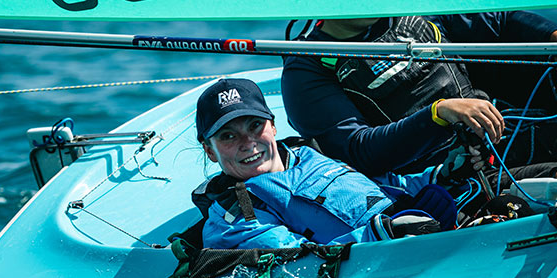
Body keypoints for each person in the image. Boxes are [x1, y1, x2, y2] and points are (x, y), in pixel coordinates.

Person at [191, 78, 485, 250]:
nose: (247, 142)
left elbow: (387, 188)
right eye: (228, 136)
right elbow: (297, 263)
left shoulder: (307, 153)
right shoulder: (235, 216)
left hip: (425, 235)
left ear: (273, 126)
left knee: (513, 203)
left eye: (255, 125)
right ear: (211, 151)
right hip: (388, 264)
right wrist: (383, 234)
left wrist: (444, 175)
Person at [282, 12, 557, 178]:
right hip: (456, 176)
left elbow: (500, 22)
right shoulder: (306, 68)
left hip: (513, 130)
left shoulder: (415, 8)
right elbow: (359, 151)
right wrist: (438, 113)